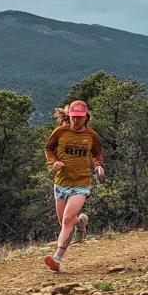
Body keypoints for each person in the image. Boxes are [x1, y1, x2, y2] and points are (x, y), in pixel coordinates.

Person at [43, 100, 104, 272]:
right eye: (74, 117)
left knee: (67, 220)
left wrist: (98, 166)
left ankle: (57, 258)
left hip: (80, 184)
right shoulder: (60, 132)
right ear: (69, 116)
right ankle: (81, 222)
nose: (76, 121)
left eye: (80, 117)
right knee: (64, 222)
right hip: (61, 183)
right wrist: (54, 163)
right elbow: (48, 149)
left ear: (86, 117)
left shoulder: (92, 136)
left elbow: (97, 154)